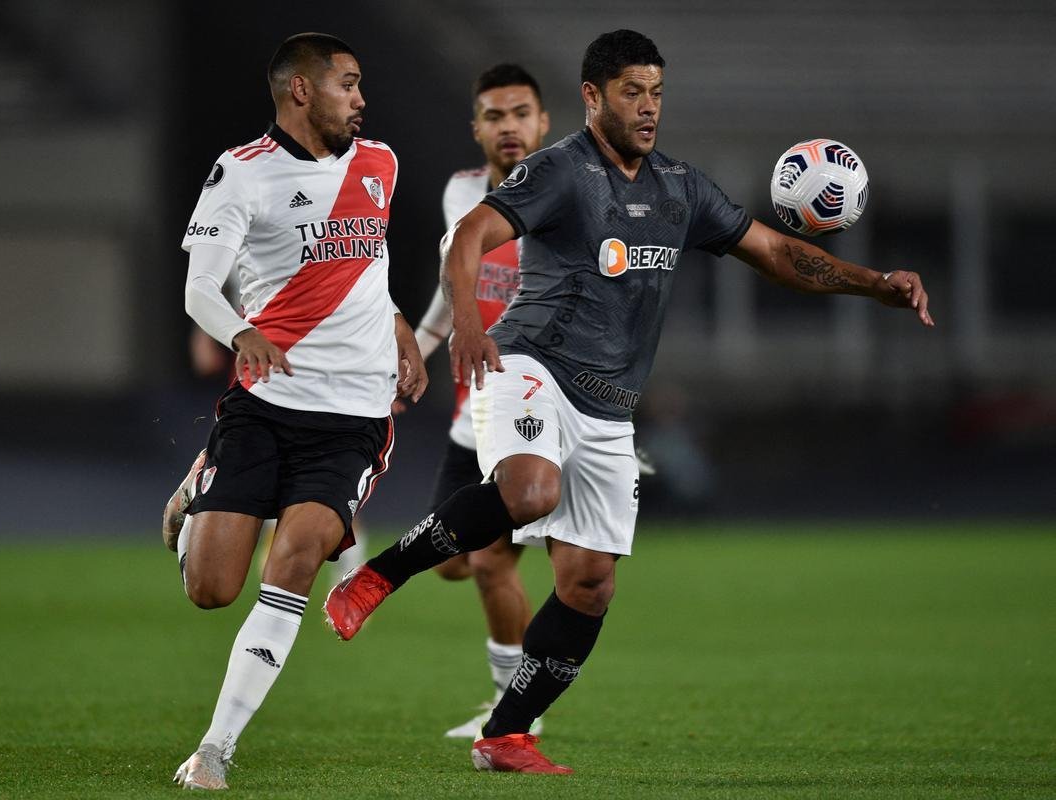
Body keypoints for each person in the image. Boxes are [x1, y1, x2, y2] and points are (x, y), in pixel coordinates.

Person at [325, 29, 933, 775]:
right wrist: (469, 328)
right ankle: (376, 576)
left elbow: (776, 254)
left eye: (656, 93)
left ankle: (505, 734)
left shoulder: (679, 187)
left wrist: (876, 284)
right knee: (527, 490)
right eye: (631, 93)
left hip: (609, 406)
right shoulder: (558, 172)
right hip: (530, 363)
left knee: (589, 586)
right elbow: (468, 238)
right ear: (591, 96)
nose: (648, 109)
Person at [167, 32, 426, 791]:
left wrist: (402, 331)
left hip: (352, 415)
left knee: (296, 560)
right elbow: (198, 291)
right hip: (264, 405)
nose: (361, 98)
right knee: (213, 589)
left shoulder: (380, 164)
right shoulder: (240, 176)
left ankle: (214, 750)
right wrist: (242, 332)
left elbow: (365, 269)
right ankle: (196, 494)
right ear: (301, 91)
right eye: (348, 84)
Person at [407, 63, 550, 739]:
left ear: (543, 123)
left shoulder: (566, 198)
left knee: (492, 561)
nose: (508, 127)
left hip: (538, 408)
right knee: (450, 560)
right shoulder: (461, 193)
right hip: (476, 409)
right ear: (477, 129)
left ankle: (515, 716)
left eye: (520, 112)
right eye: (494, 116)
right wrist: (417, 349)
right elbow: (450, 287)